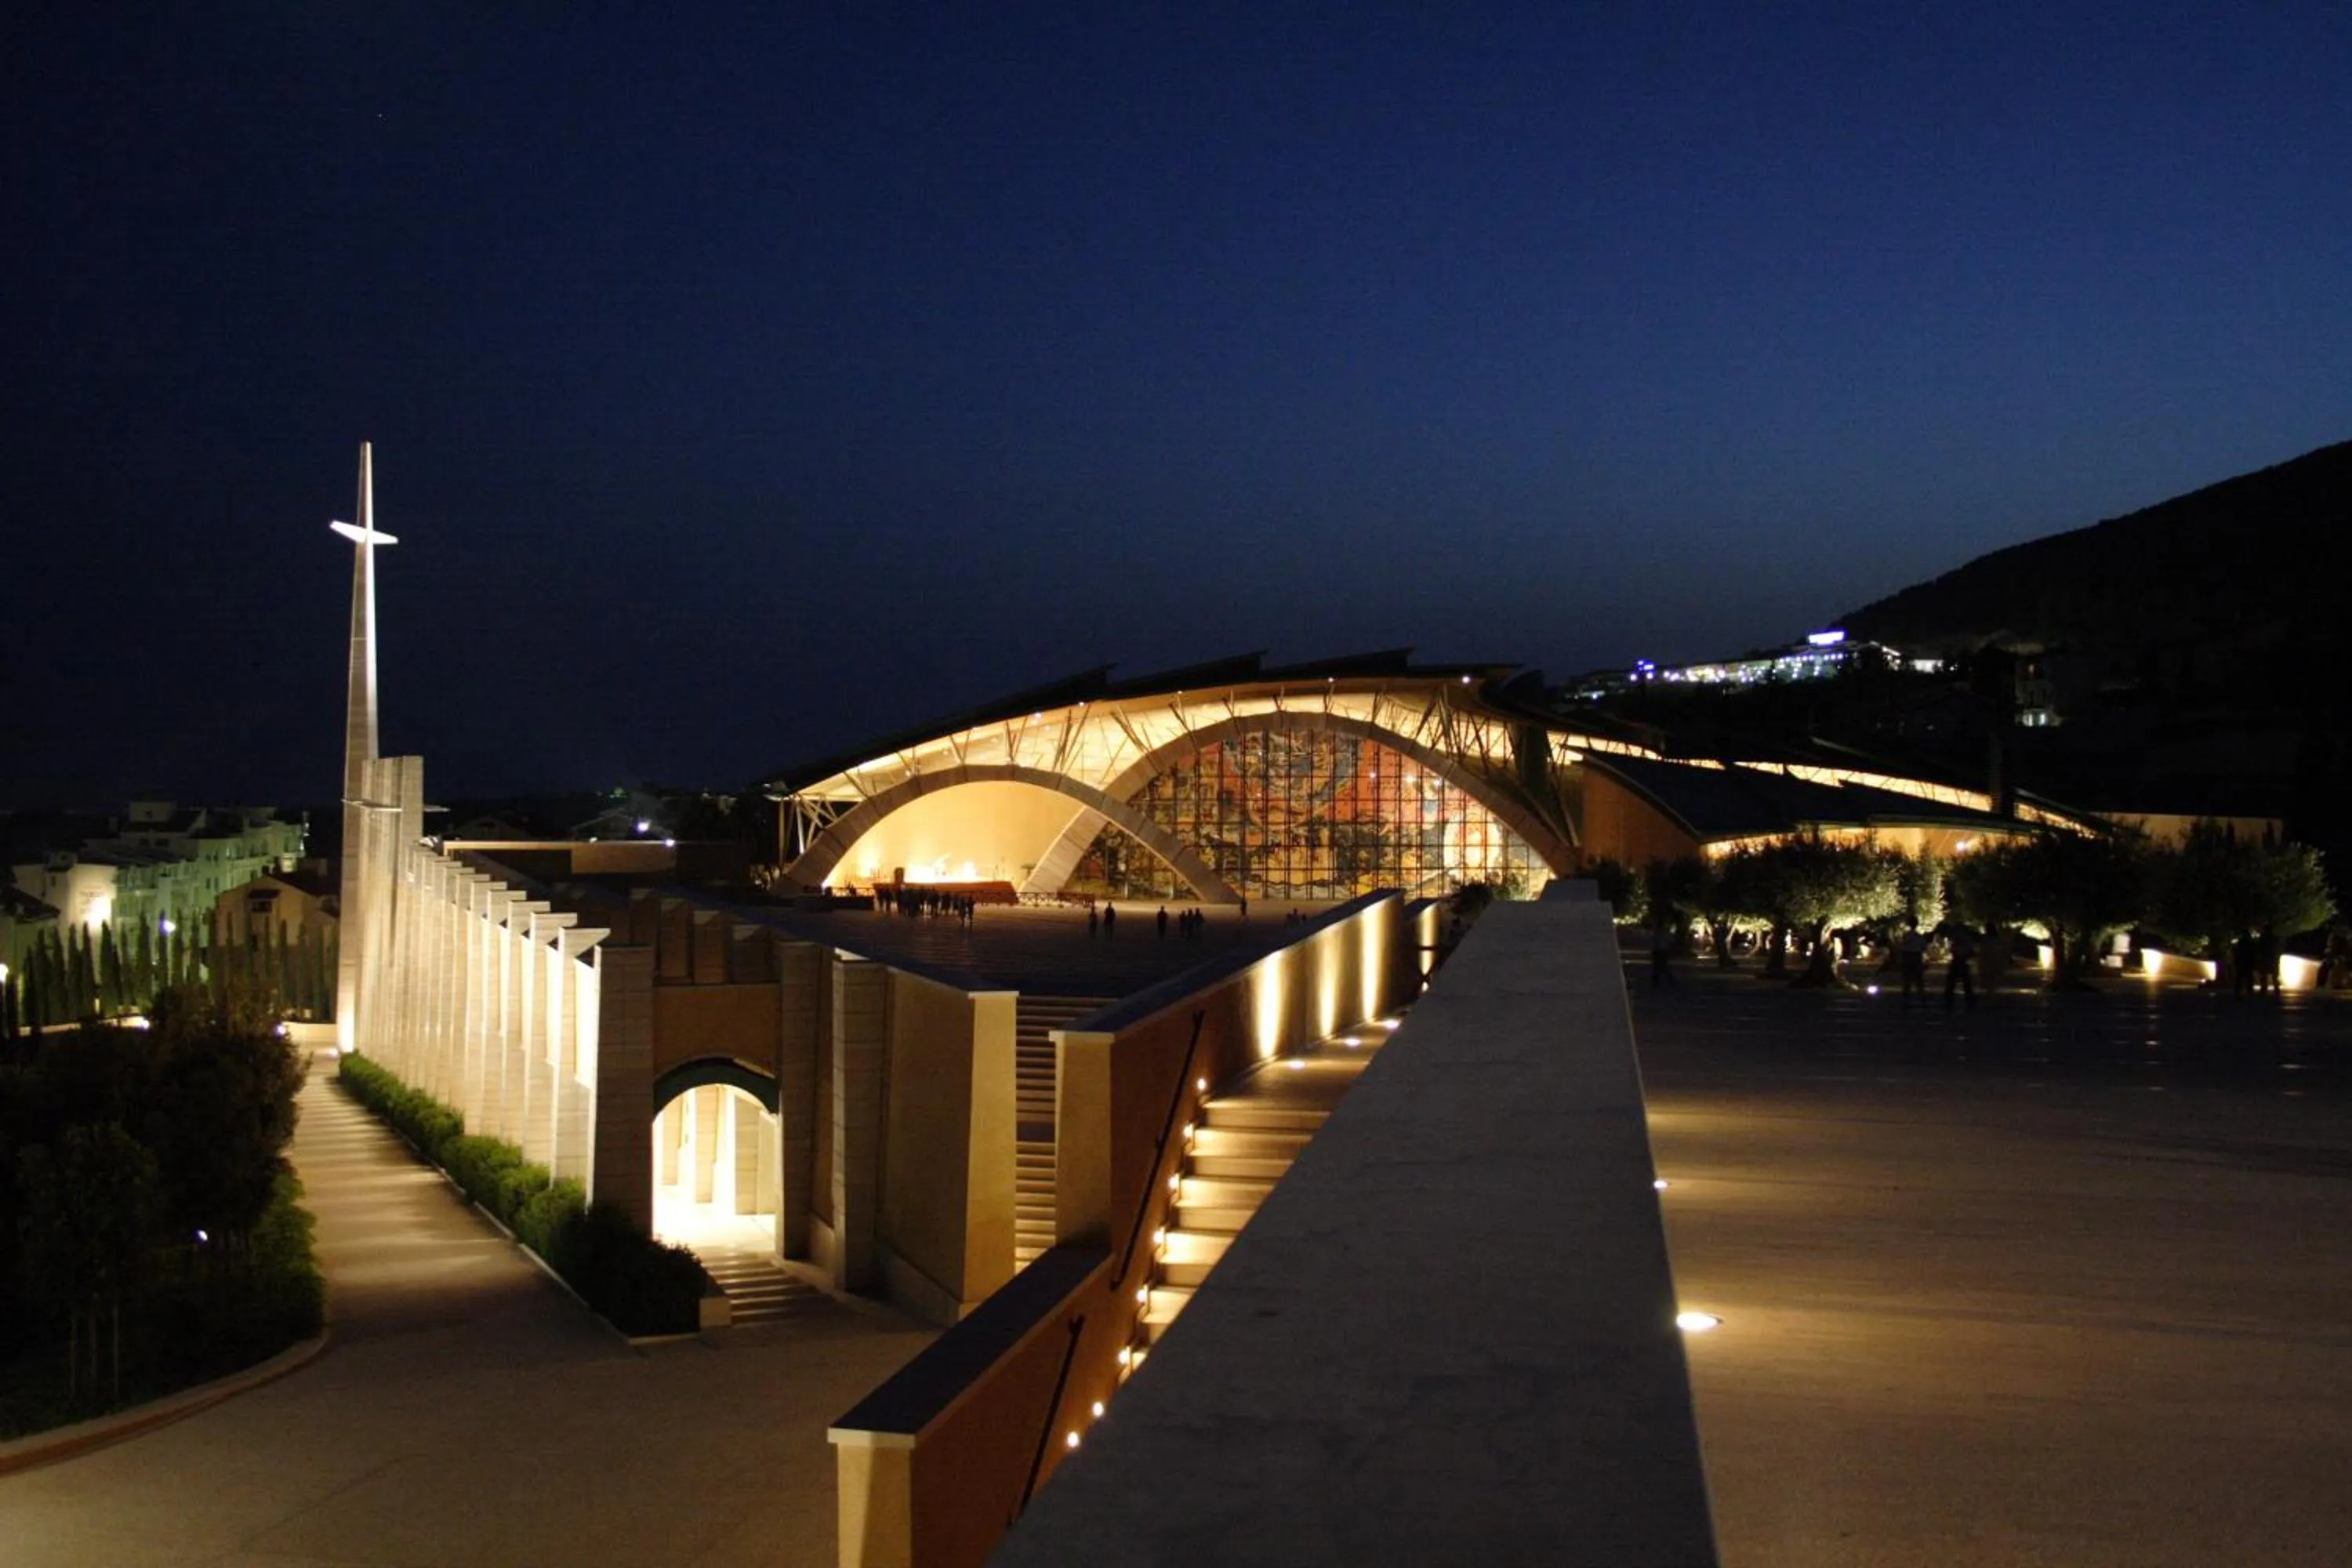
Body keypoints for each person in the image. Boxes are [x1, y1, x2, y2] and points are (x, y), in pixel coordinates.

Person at [1943, 921, 1977, 1012]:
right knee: (1966, 984)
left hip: (1958, 960)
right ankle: (1970, 1002)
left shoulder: (1955, 937)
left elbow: (1952, 949)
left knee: (1952, 983)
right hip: (1962, 960)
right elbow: (1971, 950)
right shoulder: (1967, 938)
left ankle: (1949, 1002)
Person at [1899, 918, 1929, 1007]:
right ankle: (1922, 998)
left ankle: (1906, 999)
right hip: (1916, 957)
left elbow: (1902, 947)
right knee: (1919, 979)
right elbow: (1924, 947)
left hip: (1908, 957)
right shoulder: (1919, 936)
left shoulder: (1906, 936)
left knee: (1907, 980)